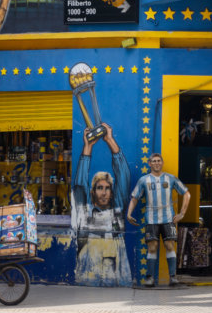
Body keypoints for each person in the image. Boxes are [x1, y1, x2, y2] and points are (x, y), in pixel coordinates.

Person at [71, 123, 131, 286]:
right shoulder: (84, 210)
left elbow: (123, 174)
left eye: (107, 188)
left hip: (116, 278)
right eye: (99, 188)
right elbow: (80, 184)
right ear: (93, 192)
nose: (104, 192)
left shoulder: (117, 208)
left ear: (112, 192)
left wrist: (110, 140)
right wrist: (87, 147)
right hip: (88, 278)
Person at [126, 153, 190, 287]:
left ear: (162, 163)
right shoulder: (144, 180)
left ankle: (173, 277)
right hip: (151, 220)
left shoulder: (170, 178)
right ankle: (150, 278)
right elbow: (135, 197)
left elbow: (186, 193)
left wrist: (182, 213)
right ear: (149, 163)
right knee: (152, 247)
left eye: (159, 161)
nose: (156, 163)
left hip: (168, 219)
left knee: (169, 246)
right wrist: (129, 213)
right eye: (154, 161)